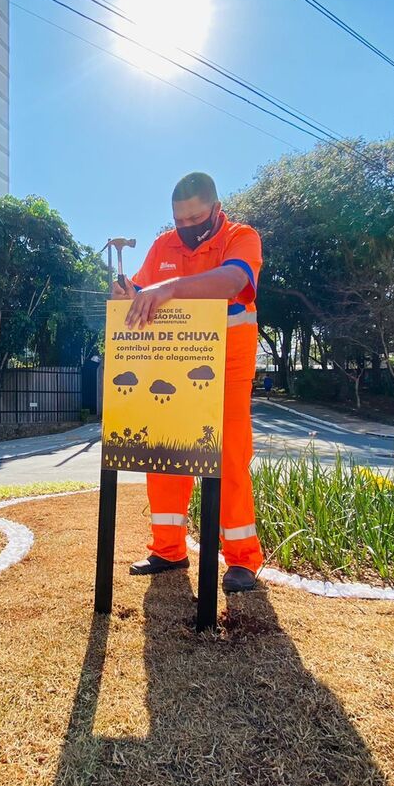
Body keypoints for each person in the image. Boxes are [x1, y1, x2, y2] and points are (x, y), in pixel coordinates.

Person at [112, 171, 263, 594]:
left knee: (230, 460)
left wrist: (169, 288)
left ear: (216, 209)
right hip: (171, 367)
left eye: (197, 218)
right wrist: (128, 293)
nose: (188, 227)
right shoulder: (163, 246)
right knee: (164, 456)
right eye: (180, 220)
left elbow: (234, 282)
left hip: (228, 369)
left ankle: (242, 561)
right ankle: (168, 550)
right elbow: (142, 293)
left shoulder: (241, 237)